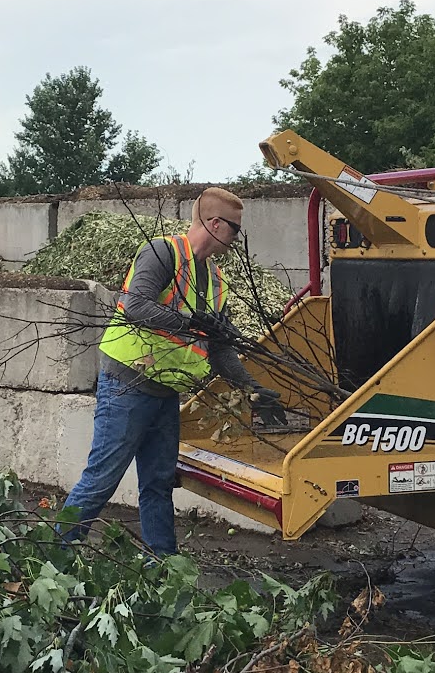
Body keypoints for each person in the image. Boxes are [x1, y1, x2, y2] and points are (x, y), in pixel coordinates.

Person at [60, 187, 279, 555]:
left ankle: (162, 567)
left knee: (159, 484)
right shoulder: (163, 253)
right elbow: (135, 306)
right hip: (128, 385)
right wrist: (190, 322)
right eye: (235, 230)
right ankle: (55, 556)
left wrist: (251, 389)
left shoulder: (216, 281)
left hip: (165, 394)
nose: (237, 239)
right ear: (214, 224)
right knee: (101, 480)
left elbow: (219, 348)